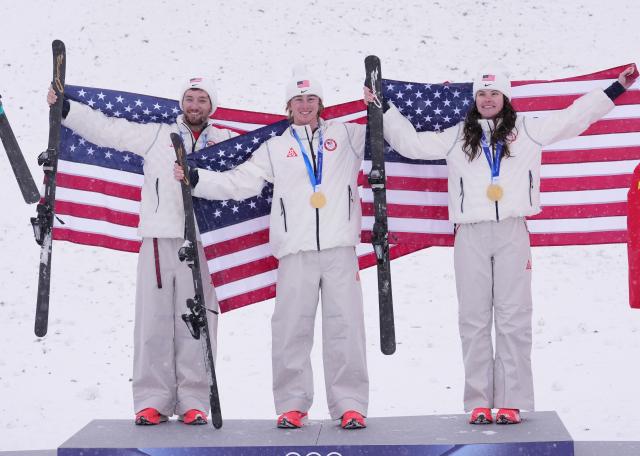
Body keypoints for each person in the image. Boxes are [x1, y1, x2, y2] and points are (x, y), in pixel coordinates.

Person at [366, 64, 636, 425]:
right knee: (474, 319)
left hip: (512, 231)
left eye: (494, 93)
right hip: (470, 234)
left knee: (514, 317)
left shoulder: (527, 130)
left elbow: (574, 118)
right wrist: (384, 109)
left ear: (505, 98)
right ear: (475, 99)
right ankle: (478, 400)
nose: (488, 99)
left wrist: (615, 90)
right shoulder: (458, 134)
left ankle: (511, 400)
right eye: (482, 93)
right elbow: (412, 144)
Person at [174, 65, 370, 429]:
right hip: (294, 253)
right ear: (288, 106)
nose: (305, 105)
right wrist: (196, 179)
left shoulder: (346, 136)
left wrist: (379, 107)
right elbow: (240, 182)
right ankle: (292, 405)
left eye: (311, 99)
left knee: (346, 329)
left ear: (321, 104)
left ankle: (350, 405)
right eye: (298, 100)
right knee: (290, 331)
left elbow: (383, 136)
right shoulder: (277, 147)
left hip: (340, 249)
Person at [47, 77, 238, 425]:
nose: (194, 106)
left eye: (202, 100)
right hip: (159, 239)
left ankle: (195, 400)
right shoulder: (157, 134)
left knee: (200, 322)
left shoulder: (224, 142)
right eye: (189, 99)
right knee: (154, 321)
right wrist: (67, 109)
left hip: (203, 242)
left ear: (213, 106)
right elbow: (108, 130)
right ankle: (153, 399)